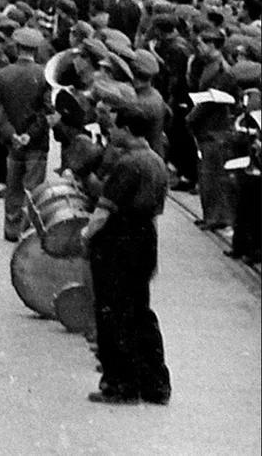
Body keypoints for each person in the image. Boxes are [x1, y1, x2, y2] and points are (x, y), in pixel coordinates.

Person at [83, 106, 172, 405]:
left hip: (119, 239)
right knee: (140, 310)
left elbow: (103, 211)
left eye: (115, 126)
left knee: (113, 313)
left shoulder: (128, 163)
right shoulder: (157, 161)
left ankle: (121, 383)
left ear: (128, 129)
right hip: (146, 237)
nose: (111, 130)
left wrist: (86, 236)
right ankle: (155, 382)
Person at [0, 27, 51, 239]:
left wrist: (11, 133)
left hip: (12, 142)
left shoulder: (2, 74)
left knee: (13, 185)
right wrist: (30, 134)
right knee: (33, 189)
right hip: (37, 142)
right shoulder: (44, 75)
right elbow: (47, 111)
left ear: (16, 47)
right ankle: (29, 231)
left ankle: (11, 227)